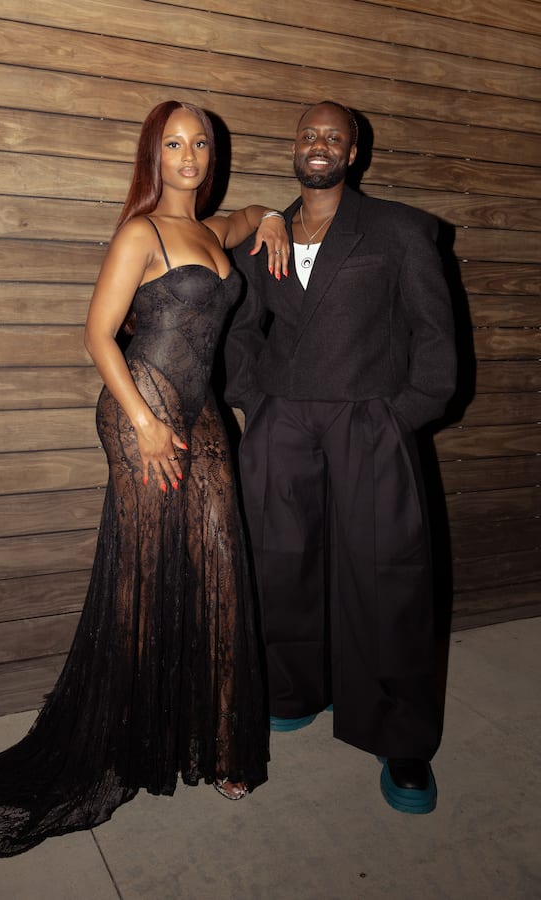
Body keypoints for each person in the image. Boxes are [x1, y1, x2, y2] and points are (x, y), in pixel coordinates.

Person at [0, 100, 289, 857]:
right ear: (154, 154)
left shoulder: (213, 229)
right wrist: (142, 422)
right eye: (174, 143)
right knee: (144, 574)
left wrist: (269, 219)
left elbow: (251, 216)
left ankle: (219, 743)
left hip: (201, 415)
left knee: (220, 567)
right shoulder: (141, 233)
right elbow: (97, 334)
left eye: (201, 142)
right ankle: (130, 741)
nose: (190, 156)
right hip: (141, 407)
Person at [224, 100, 457, 815]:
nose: (319, 144)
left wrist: (399, 416)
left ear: (353, 153)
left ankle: (400, 737)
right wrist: (255, 401)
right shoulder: (267, 234)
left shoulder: (399, 229)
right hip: (283, 423)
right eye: (309, 134)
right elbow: (240, 329)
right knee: (280, 564)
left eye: (334, 137)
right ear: (294, 148)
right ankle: (293, 687)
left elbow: (435, 337)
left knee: (387, 577)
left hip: (368, 422)